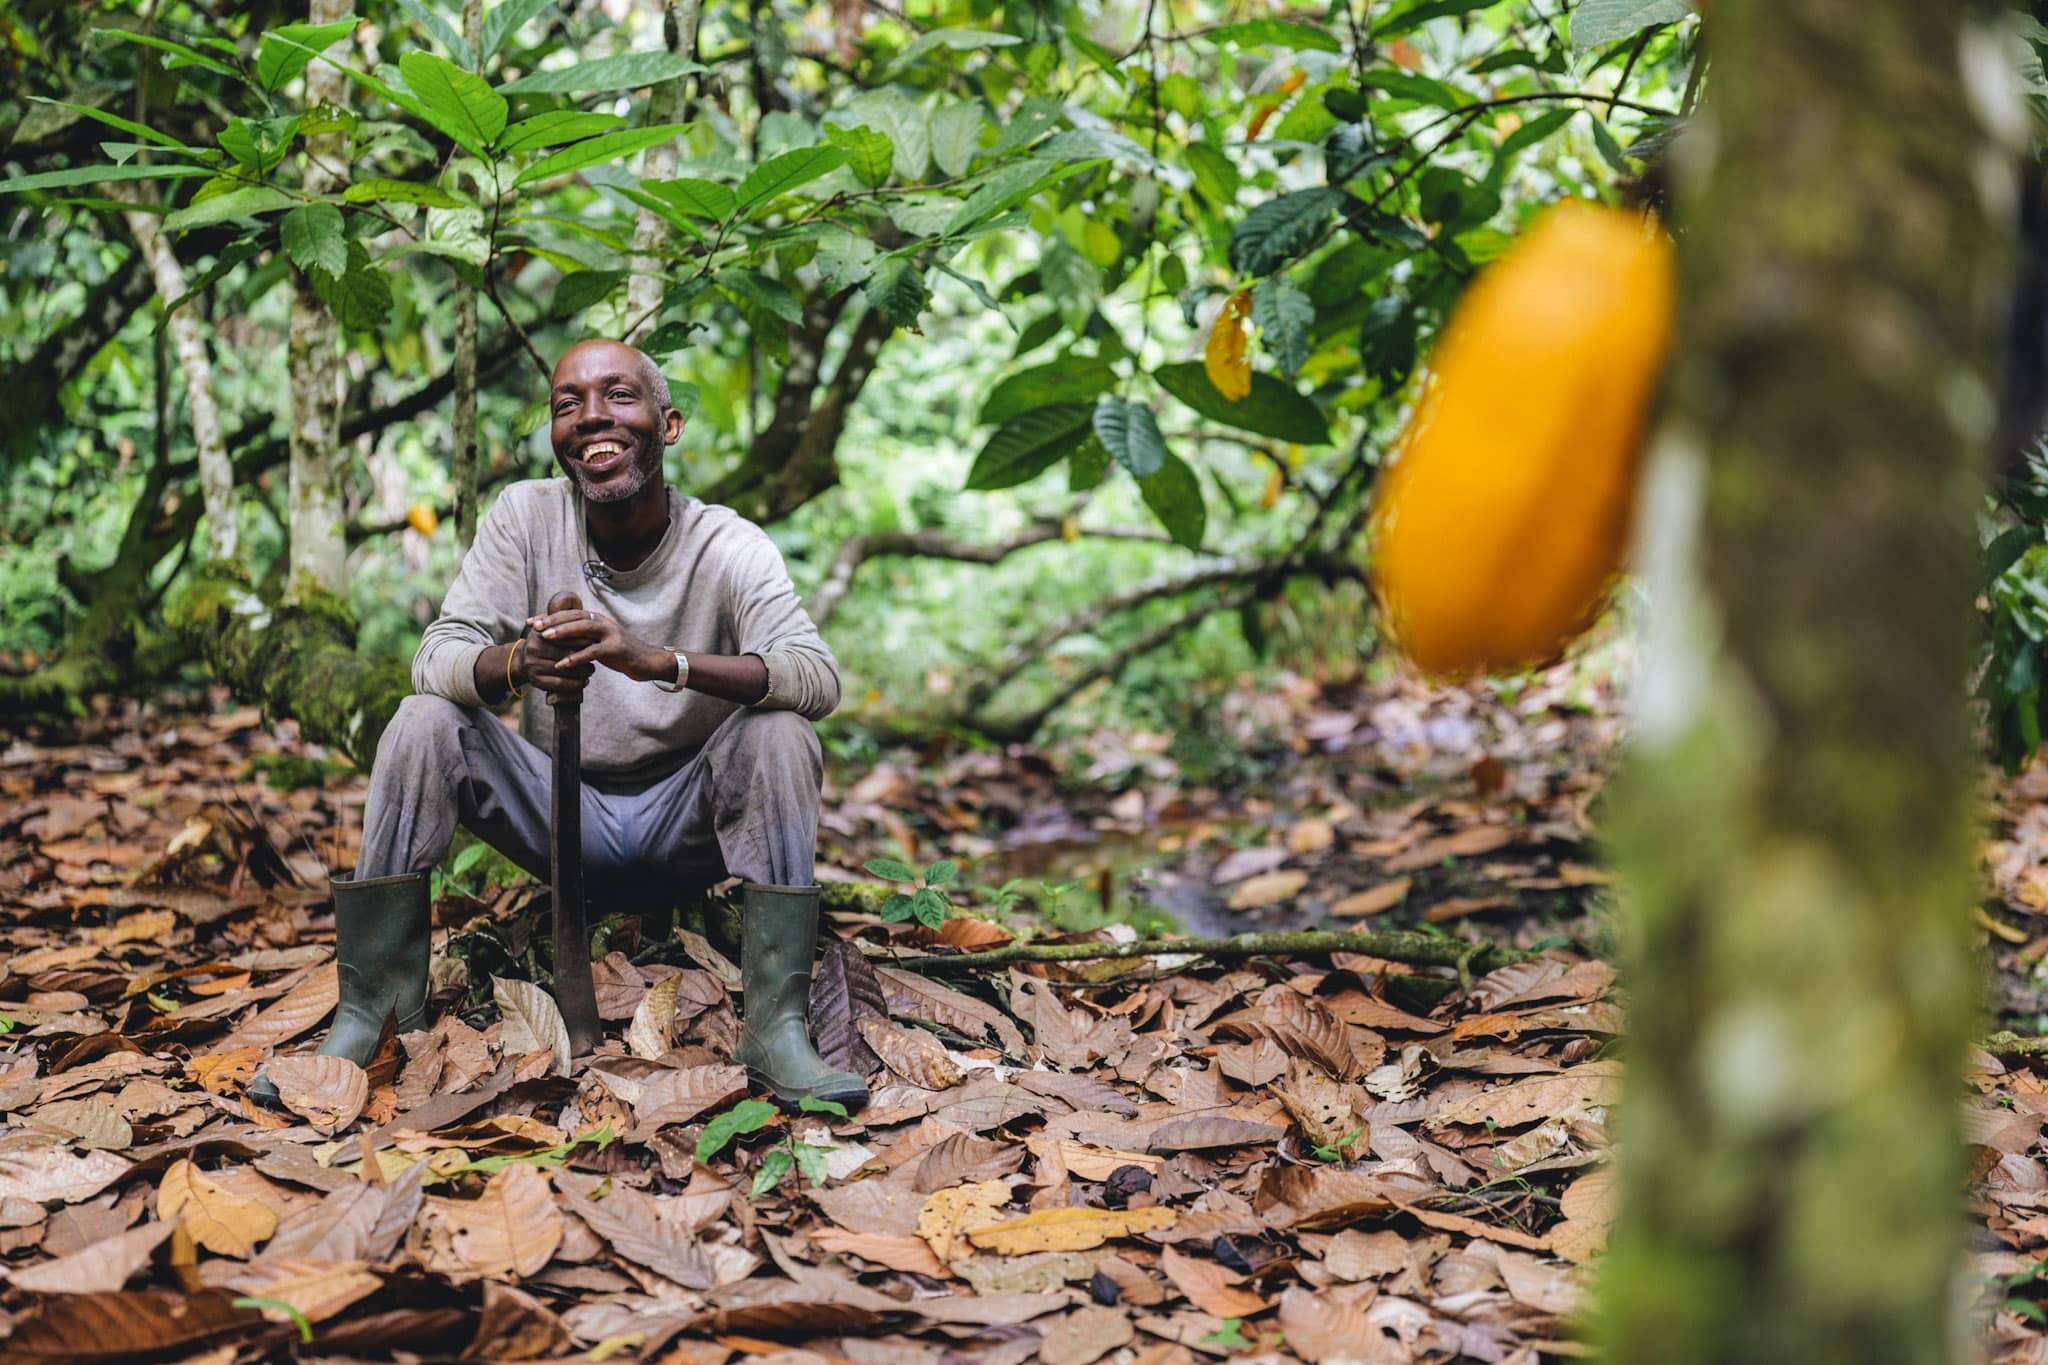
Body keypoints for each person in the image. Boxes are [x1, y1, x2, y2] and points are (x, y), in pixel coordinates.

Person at [252, 338, 866, 1111]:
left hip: (688, 821)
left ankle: (777, 1028)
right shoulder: (527, 516)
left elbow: (816, 676)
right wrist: (517, 663)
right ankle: (371, 1013)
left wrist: (658, 662)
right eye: (567, 403)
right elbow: (436, 656)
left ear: (668, 425)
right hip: (557, 812)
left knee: (782, 732)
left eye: (618, 396)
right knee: (421, 720)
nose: (591, 418)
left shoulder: (726, 543)